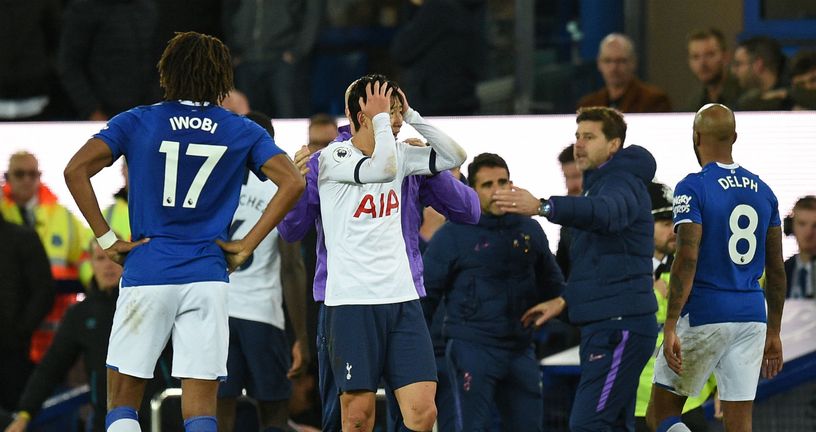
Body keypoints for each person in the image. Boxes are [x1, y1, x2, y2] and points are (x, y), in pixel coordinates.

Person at [62, 31, 304, 432]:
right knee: (201, 408)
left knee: (122, 400)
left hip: (148, 269)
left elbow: (75, 170)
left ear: (167, 73)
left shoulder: (138, 120)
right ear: (221, 79)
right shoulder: (241, 130)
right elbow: (292, 182)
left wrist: (107, 240)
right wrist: (246, 244)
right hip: (208, 275)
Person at [278, 74, 478, 432]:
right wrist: (293, 189)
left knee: (423, 413)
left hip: (403, 299)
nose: (396, 118)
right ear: (361, 116)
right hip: (350, 302)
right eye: (388, 110)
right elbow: (292, 230)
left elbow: (466, 195)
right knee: (355, 419)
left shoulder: (403, 153)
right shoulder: (329, 159)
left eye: (398, 108)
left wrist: (415, 119)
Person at [493, 106, 659, 431]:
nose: (579, 144)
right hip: (609, 323)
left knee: (589, 424)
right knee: (612, 425)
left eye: (590, 137)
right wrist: (565, 299)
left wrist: (543, 206)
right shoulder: (600, 184)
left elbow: (608, 213)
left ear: (614, 145)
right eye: (577, 136)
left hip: (618, 325)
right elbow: (599, 265)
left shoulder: (620, 181)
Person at [645, 103, 786, 432]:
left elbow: (687, 257)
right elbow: (776, 269)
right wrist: (774, 331)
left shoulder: (692, 187)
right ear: (734, 137)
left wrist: (669, 325)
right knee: (739, 424)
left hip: (706, 311)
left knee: (660, 414)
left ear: (696, 137)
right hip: (752, 316)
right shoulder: (764, 191)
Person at [421, 152, 565, 431]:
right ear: (471, 190)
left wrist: (559, 302)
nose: (498, 190)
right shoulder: (453, 234)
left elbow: (554, 285)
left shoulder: (530, 229)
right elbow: (426, 295)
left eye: (503, 181)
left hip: (520, 348)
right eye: (487, 185)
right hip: (471, 348)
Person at [4, 241, 177, 432]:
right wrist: (25, 413)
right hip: (107, 420)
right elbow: (51, 367)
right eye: (100, 259)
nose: (108, 265)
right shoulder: (81, 315)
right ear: (92, 265)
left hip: (161, 417)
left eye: (114, 257)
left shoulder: (152, 302)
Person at [216, 111, 310, 432]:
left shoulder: (214, 186)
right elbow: (292, 266)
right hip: (263, 316)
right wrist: (300, 336)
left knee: (219, 416)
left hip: (217, 314)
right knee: (274, 417)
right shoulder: (280, 187)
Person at [632, 182, 714, 432]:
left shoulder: (693, 270)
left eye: (676, 223)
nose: (674, 231)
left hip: (685, 400)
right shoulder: (622, 275)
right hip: (633, 401)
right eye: (665, 224)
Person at [1, 151, 91, 364]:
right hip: (7, 330)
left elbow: (87, 254)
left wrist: (94, 285)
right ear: (8, 177)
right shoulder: (2, 216)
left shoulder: (62, 216)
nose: (27, 180)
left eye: (33, 174)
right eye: (20, 174)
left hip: (53, 327)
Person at [57, 0, 158, 120]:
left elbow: (155, 58)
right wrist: (91, 111)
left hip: (145, 112)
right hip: (103, 113)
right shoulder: (85, 8)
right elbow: (69, 64)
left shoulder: (147, 7)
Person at [223, 0, 323, 118]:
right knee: (248, 118)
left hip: (282, 58)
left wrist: (298, 51)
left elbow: (312, 15)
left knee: (288, 114)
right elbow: (227, 14)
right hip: (245, 59)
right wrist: (233, 51)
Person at [390, 0, 485, 116]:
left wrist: (413, 9)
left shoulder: (439, 8)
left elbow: (402, 50)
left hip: (434, 107)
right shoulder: (466, 9)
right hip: (459, 101)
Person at [0, 212, 54, 414]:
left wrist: (18, 333)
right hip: (15, 347)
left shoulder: (23, 238)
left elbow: (44, 292)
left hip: (13, 356)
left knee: (14, 418)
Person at [577, 33, 672, 113]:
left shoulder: (654, 100)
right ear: (599, 63)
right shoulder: (588, 105)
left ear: (633, 63)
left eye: (621, 61)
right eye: (607, 61)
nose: (614, 68)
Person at [684, 28, 741, 112]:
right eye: (695, 57)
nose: (702, 63)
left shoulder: (745, 99)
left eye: (710, 54)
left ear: (725, 57)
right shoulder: (694, 103)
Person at [732, 36, 790, 111]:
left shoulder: (791, 102)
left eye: (739, 64)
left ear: (758, 65)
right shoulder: (744, 100)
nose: (734, 71)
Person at [555, 143, 582, 279]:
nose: (571, 185)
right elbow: (562, 269)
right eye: (567, 177)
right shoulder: (568, 220)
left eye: (576, 176)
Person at [785, 196, 816, 298]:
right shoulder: (782, 271)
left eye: (815, 226)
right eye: (802, 224)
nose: (808, 233)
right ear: (790, 227)